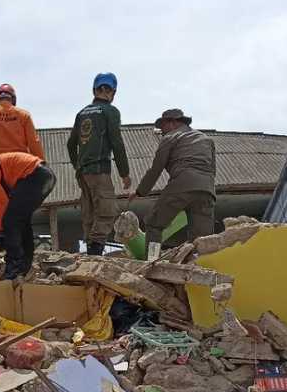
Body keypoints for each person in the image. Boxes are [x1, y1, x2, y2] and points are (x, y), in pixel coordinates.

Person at [130, 108, 216, 259]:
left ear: (173, 123)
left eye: (162, 126)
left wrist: (140, 192)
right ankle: (199, 266)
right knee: (202, 239)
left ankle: (151, 262)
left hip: (182, 184)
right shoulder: (206, 139)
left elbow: (156, 169)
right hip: (207, 189)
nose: (161, 131)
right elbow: (212, 170)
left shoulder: (171, 137)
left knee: (154, 224)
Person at [68, 72, 131, 255]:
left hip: (84, 172)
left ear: (94, 90)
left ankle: (89, 255)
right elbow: (116, 143)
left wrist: (77, 166)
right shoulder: (110, 112)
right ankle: (95, 254)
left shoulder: (81, 113)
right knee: (107, 212)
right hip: (99, 169)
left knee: (90, 213)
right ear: (113, 92)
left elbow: (71, 144)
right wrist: (124, 173)